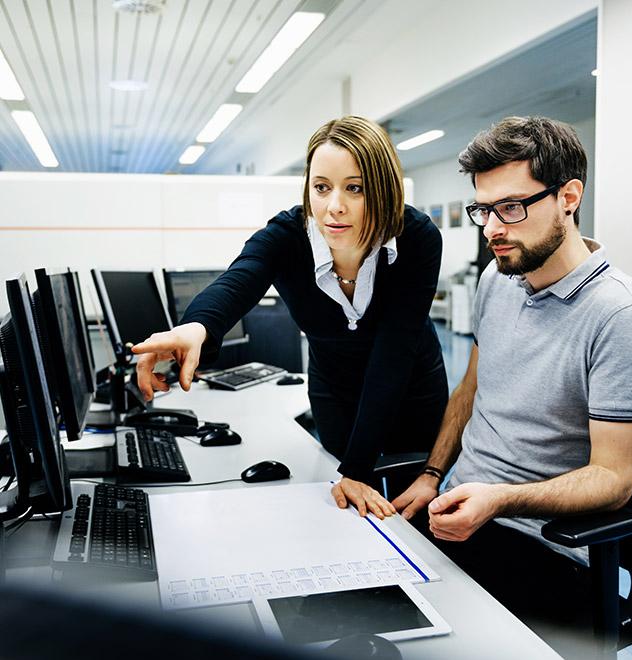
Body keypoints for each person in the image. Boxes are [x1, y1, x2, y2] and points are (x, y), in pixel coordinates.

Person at [392, 116, 632, 646]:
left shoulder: (620, 317)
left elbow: (616, 479)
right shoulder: (500, 276)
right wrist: (431, 473)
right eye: (483, 210)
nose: (492, 228)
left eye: (511, 208)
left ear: (568, 196)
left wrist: (500, 499)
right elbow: (472, 389)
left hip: (548, 546)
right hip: (458, 511)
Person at [133, 115, 449, 518]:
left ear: (384, 189)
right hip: (333, 387)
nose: (334, 206)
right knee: (347, 506)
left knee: (409, 509)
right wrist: (195, 328)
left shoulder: (417, 238)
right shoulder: (287, 235)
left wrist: (358, 468)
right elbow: (238, 280)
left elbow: (394, 353)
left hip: (408, 386)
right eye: (321, 187)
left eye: (355, 188)